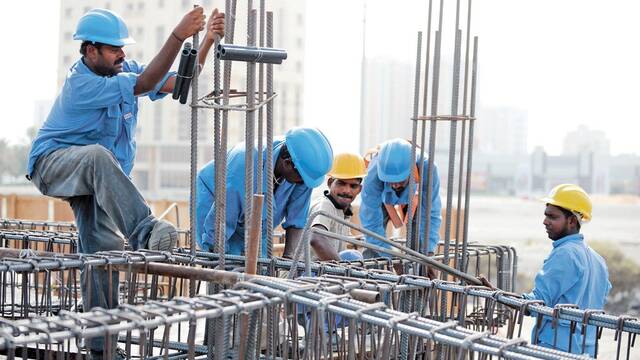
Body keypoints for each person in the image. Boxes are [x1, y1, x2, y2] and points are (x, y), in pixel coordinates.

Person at [26, 7, 225, 359]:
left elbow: (178, 81)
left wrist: (206, 41)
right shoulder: (82, 83)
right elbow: (145, 84)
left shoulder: (124, 69)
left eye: (122, 48)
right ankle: (145, 230)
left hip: (98, 181)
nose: (122, 54)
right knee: (99, 155)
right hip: (53, 165)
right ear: (90, 52)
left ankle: (101, 347)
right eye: (114, 49)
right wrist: (177, 36)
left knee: (102, 257)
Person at [196, 127, 333, 258]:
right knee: (229, 264)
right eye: (303, 179)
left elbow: (296, 220)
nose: (305, 185)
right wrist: (219, 266)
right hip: (215, 200)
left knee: (261, 266)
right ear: (287, 163)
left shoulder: (303, 171)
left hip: (256, 219)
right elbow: (220, 225)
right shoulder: (245, 167)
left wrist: (289, 260)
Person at [523, 184, 611, 356]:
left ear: (571, 221)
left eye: (552, 217)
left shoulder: (565, 254)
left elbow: (535, 303)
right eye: (545, 215)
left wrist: (497, 296)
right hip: (586, 352)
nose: (545, 221)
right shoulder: (598, 260)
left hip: (556, 350)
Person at [359, 138, 442, 274]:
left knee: (421, 249)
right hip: (383, 197)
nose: (395, 185)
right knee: (372, 247)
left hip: (413, 196)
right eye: (390, 181)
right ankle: (372, 283)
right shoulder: (374, 172)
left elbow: (431, 214)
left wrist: (429, 254)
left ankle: (418, 284)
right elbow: (371, 223)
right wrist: (393, 258)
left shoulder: (427, 167)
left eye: (399, 180)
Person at [308, 152, 367, 261]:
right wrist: (340, 269)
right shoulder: (325, 206)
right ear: (330, 183)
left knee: (353, 256)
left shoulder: (343, 211)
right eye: (341, 183)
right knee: (352, 256)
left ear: (359, 189)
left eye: (353, 186)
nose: (346, 191)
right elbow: (316, 238)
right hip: (305, 273)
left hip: (321, 272)